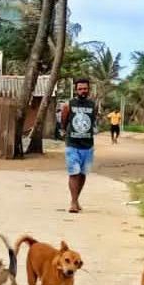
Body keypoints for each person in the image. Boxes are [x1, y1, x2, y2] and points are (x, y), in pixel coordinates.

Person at [58, 78, 96, 213]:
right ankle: (73, 202)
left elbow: (92, 122)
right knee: (74, 173)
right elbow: (64, 119)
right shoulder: (69, 104)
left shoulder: (93, 105)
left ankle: (76, 198)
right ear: (76, 90)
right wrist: (63, 131)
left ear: (88, 89)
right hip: (72, 144)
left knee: (83, 174)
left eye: (85, 88)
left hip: (88, 145)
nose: (83, 91)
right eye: (80, 89)